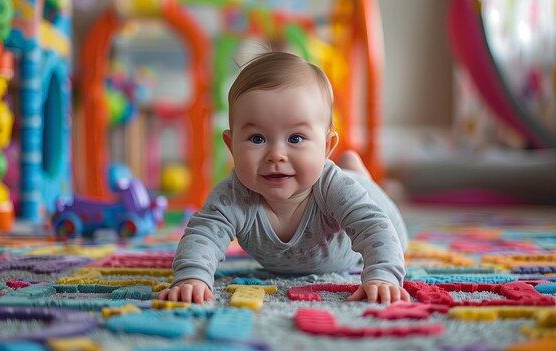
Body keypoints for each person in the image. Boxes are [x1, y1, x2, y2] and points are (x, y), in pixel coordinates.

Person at [159, 51, 409, 304]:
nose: (276, 155)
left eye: (295, 138)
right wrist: (193, 277)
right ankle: (352, 167)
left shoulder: (334, 188)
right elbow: (204, 235)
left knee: (371, 203)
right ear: (231, 145)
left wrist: (383, 276)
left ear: (326, 146)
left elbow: (374, 227)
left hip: (376, 211)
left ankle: (356, 172)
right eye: (257, 139)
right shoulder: (234, 195)